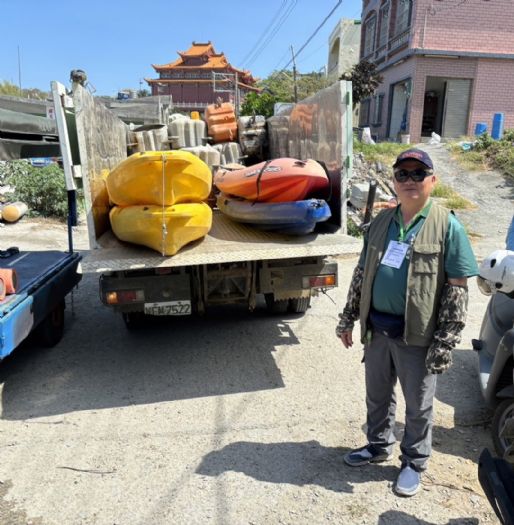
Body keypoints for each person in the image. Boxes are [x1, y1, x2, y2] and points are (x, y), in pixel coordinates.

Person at [336, 148, 478, 497]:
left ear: (433, 180)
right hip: (377, 331)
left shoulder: (448, 225)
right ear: (395, 181)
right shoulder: (381, 223)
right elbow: (361, 274)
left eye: (419, 173)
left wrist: (445, 342)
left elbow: (457, 290)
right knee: (378, 396)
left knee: (418, 405)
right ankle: (378, 445)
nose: (410, 180)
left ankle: (414, 462)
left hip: (418, 337)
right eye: (403, 174)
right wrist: (348, 319)